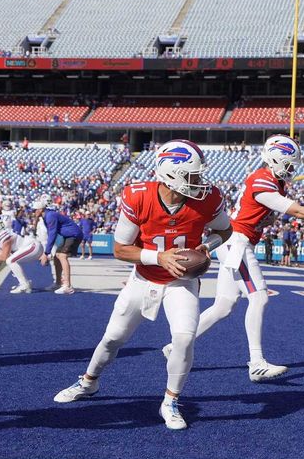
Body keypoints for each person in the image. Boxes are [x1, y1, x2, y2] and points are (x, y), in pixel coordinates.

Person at [53, 139, 232, 430]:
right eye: (193, 176)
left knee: (184, 338)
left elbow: (226, 229)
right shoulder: (139, 196)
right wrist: (158, 257)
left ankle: (170, 401)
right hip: (144, 277)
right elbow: (120, 249)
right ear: (171, 174)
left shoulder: (208, 198)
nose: (200, 182)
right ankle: (88, 382)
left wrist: (207, 246)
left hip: (181, 282)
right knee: (112, 339)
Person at [178, 135, 304, 382]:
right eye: (289, 164)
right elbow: (296, 210)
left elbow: (263, 211)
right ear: (276, 158)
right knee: (259, 297)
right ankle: (256, 362)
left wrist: (266, 218)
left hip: (236, 240)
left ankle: (176, 345)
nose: (292, 169)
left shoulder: (270, 180)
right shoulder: (262, 179)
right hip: (236, 242)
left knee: (224, 305)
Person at [0, 217, 42, 293]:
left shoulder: (4, 236)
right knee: (11, 260)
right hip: (31, 247)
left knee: (10, 260)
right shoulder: (1, 236)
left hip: (33, 247)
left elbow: (4, 258)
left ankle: (24, 284)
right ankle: (25, 283)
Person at [38, 200, 82, 294]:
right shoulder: (46, 216)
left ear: (41, 209)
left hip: (74, 234)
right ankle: (58, 283)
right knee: (57, 255)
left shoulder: (50, 216)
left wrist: (46, 253)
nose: (33, 212)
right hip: (69, 235)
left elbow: (52, 234)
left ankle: (68, 286)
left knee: (62, 255)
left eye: (35, 210)